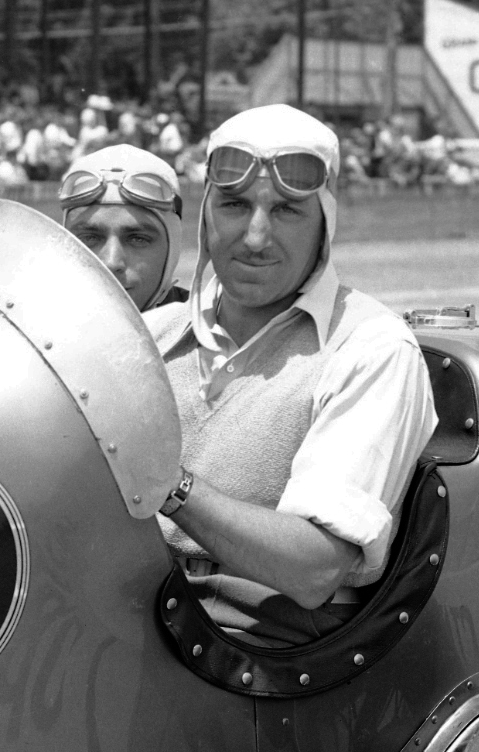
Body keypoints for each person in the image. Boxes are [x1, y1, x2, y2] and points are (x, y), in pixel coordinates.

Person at [143, 103, 436, 641]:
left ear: (325, 224)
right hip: (120, 629)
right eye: (234, 205)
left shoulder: (371, 350)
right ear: (206, 213)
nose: (255, 236)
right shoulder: (144, 338)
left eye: (285, 211)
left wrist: (165, 483)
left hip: (253, 664)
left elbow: (313, 568)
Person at [60, 141, 189, 313]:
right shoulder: (23, 332)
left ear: (172, 250)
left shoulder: (217, 335)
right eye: (89, 238)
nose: (111, 263)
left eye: (138, 239)